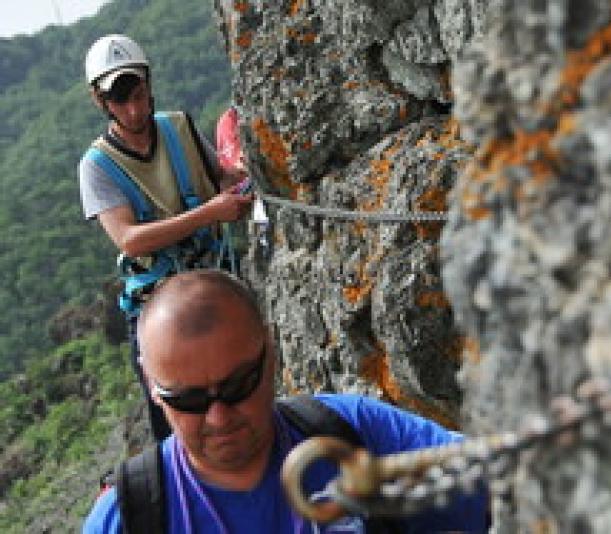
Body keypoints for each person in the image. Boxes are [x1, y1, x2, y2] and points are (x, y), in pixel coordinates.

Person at [83, 269, 489, 533]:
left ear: (271, 350)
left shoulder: (352, 433)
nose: (219, 417)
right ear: (153, 388)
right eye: (188, 400)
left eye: (239, 384)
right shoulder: (128, 519)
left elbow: (502, 484)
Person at [78, 34, 253, 441]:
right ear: (101, 102)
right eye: (121, 101)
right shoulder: (97, 166)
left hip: (213, 283)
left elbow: (219, 179)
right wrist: (209, 213)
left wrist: (244, 173)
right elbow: (129, 239)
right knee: (181, 422)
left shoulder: (179, 127)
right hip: (157, 306)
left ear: (148, 83)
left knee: (242, 390)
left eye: (138, 94)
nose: (134, 109)